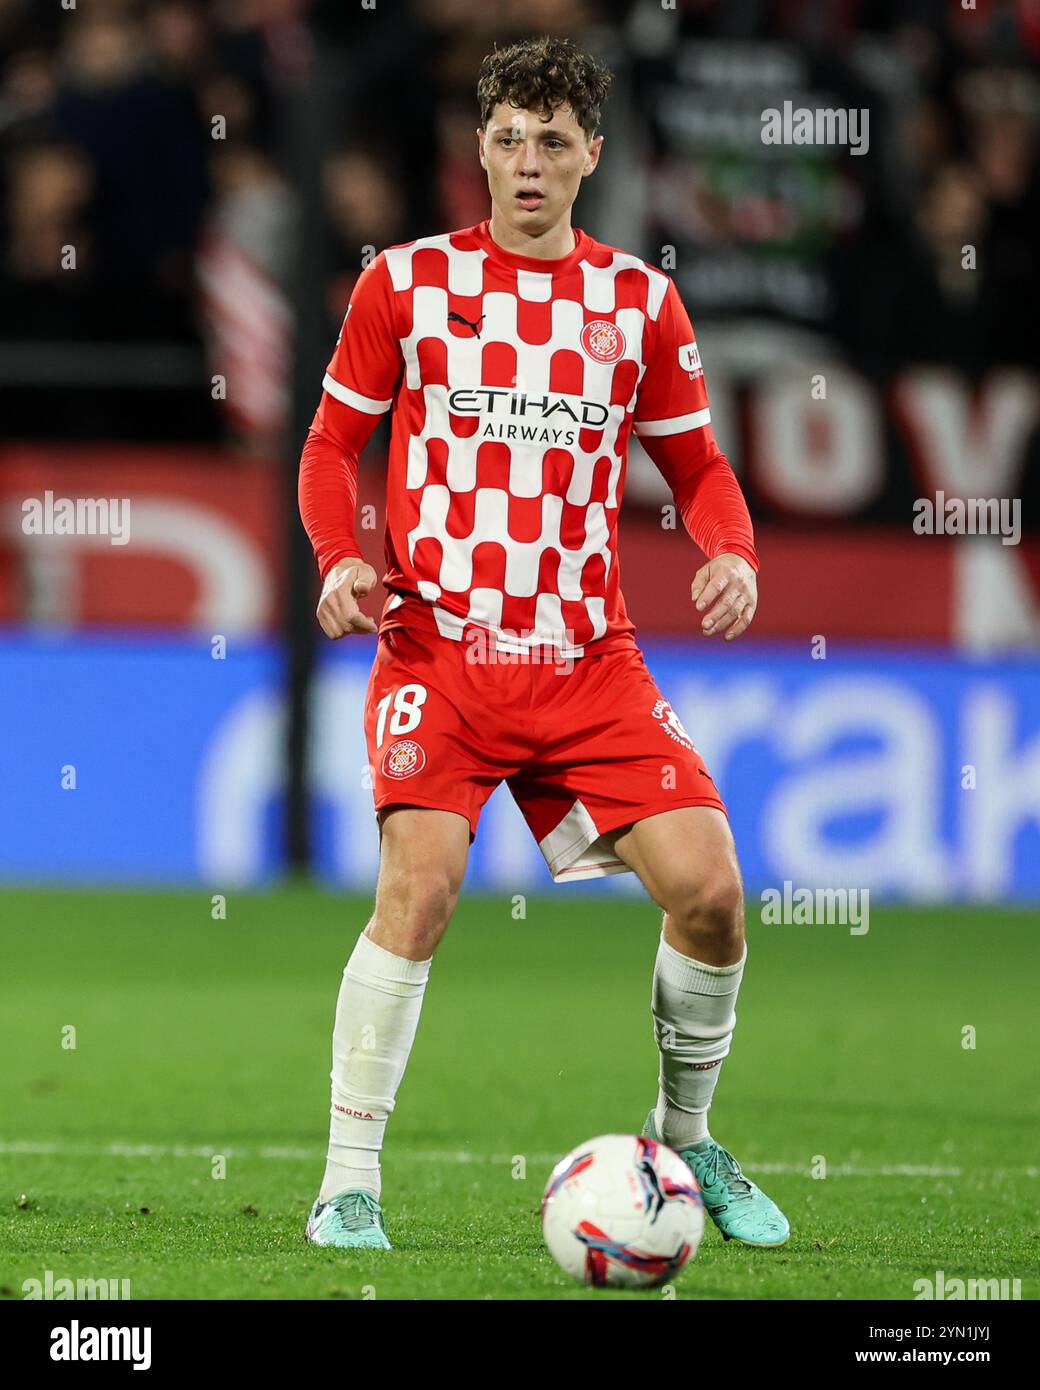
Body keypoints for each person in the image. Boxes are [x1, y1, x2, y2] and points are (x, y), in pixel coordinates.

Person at [298, 34, 788, 1251]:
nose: (526, 162)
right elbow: (325, 449)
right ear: (479, 148)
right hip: (439, 652)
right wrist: (339, 559)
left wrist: (730, 552)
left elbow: (698, 466)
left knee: (714, 895)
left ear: (590, 157)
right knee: (417, 894)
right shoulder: (403, 285)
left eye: (551, 142)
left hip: (586, 661)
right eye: (507, 138)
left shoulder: (638, 302)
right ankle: (347, 1180)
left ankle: (683, 1136)